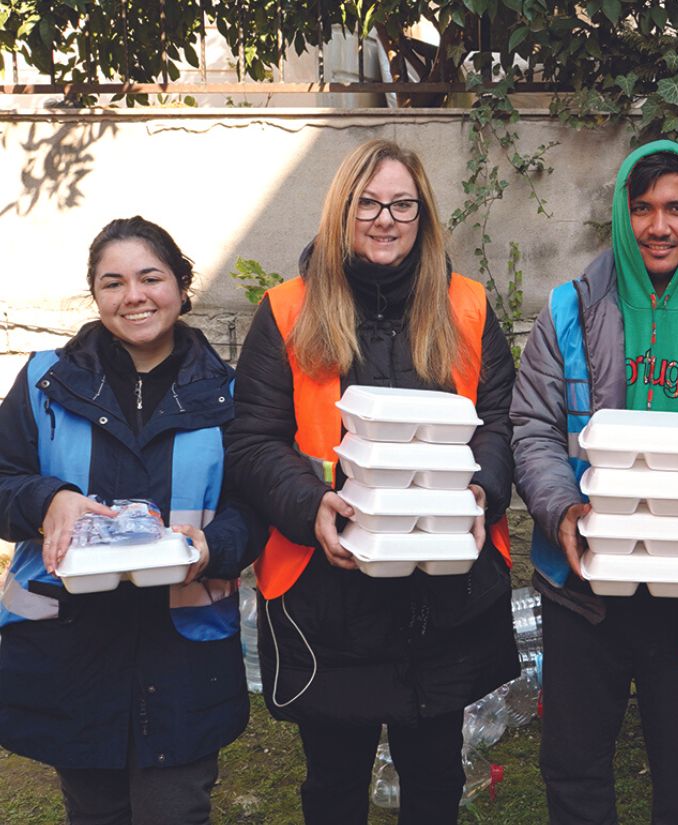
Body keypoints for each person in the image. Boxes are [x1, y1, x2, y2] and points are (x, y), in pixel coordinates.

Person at [224, 139, 519, 825]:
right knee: (333, 785)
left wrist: (484, 491)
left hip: (443, 593)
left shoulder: (466, 307)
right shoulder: (289, 311)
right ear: (342, 211)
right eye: (368, 203)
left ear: (423, 215)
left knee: (434, 781)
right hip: (331, 596)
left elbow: (500, 420)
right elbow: (253, 438)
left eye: (402, 205)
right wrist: (309, 505)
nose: (385, 219)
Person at [511, 140, 678, 825]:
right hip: (584, 591)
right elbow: (534, 428)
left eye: (676, 209)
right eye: (641, 208)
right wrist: (562, 512)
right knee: (573, 770)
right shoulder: (569, 310)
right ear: (620, 214)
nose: (658, 226)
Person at [0, 216, 261, 825]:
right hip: (73, 645)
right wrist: (46, 499)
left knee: (174, 809)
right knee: (93, 811)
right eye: (112, 282)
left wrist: (211, 546)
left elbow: (254, 510)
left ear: (182, 285)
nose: (133, 296)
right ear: (96, 295)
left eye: (150, 277)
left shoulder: (229, 394)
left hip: (183, 652)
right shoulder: (45, 383)